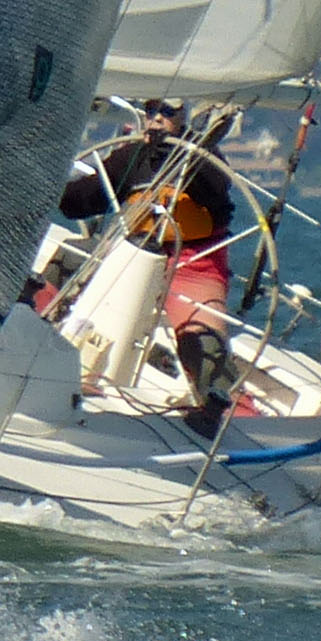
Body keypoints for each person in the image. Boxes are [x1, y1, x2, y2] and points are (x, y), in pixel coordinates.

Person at [60, 98, 243, 435]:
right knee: (64, 273)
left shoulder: (206, 158)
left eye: (168, 112)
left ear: (184, 116)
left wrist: (179, 152)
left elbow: (214, 186)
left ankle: (214, 406)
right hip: (133, 251)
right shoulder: (131, 156)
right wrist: (49, 184)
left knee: (203, 341)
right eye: (151, 111)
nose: (157, 118)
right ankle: (50, 365)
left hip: (194, 261)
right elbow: (82, 201)